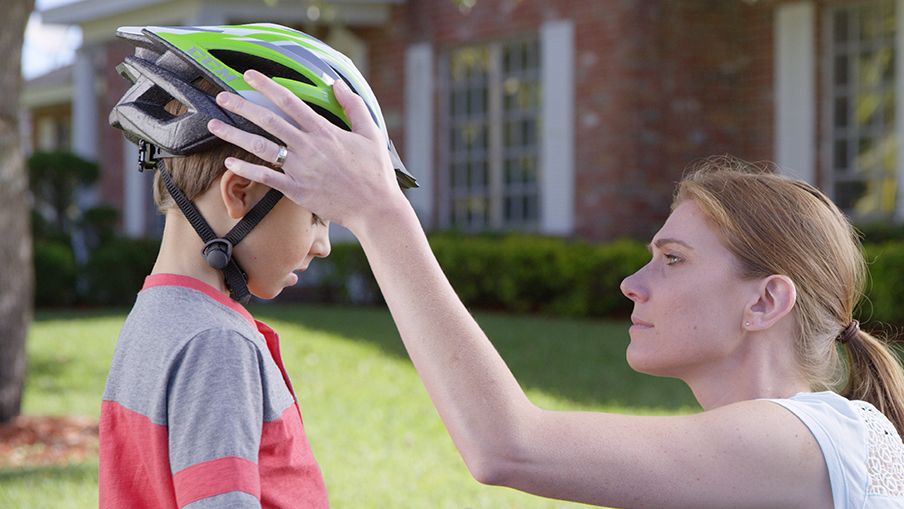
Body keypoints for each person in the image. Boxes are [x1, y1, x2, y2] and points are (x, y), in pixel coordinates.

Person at [207, 68, 904, 508]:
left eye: (673, 259)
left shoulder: (795, 439)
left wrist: (379, 211)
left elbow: (506, 445)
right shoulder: (831, 437)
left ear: (765, 300)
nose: (633, 284)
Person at [100, 24, 416, 508]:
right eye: (315, 216)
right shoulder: (217, 344)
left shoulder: (155, 317)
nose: (323, 245)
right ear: (241, 193)